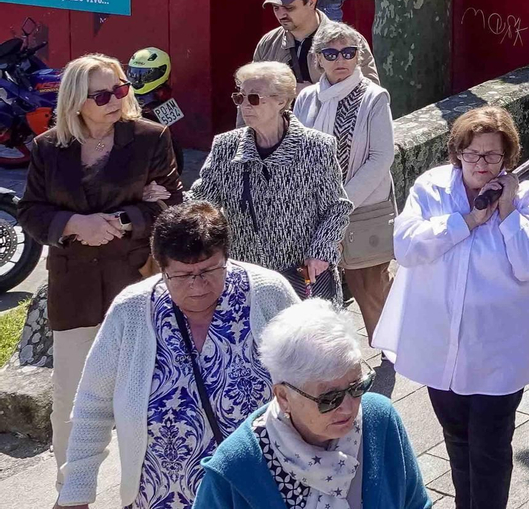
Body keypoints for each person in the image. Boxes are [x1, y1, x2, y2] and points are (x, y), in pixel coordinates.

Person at [57, 203, 295, 509]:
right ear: (161, 267)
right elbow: (93, 404)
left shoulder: (267, 293)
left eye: (209, 270)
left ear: (226, 257)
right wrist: (76, 490)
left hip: (257, 493)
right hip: (160, 498)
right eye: (181, 275)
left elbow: (314, 378)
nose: (197, 286)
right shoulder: (131, 310)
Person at [375, 106, 529, 509]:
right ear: (457, 153)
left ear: (508, 159)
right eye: (472, 154)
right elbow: (407, 247)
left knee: (489, 451)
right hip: (443, 350)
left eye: (492, 156)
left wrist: (507, 211)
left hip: (497, 354)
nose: (482, 164)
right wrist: (467, 221)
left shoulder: (525, 198)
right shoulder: (431, 188)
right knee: (456, 442)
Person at [20, 53, 182, 486]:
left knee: (140, 396)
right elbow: (31, 210)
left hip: (135, 283)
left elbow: (170, 202)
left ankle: (142, 487)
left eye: (121, 89)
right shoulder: (48, 147)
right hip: (73, 289)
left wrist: (120, 222)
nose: (116, 100)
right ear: (75, 101)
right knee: (69, 400)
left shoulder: (150, 137)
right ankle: (71, 489)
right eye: (102, 94)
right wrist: (74, 224)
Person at [193, 300, 429, 509]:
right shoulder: (234, 469)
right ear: (283, 397)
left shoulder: (380, 419)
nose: (348, 407)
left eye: (357, 386)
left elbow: (417, 503)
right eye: (329, 398)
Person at [192, 62, 352, 300]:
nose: (245, 105)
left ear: (280, 101)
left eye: (254, 98)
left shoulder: (316, 146)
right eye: (240, 97)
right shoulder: (226, 146)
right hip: (247, 277)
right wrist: (164, 196)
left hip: (303, 274)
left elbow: (337, 208)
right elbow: (201, 203)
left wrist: (320, 252)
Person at [292, 22, 396, 342]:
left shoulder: (374, 98)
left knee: (371, 290)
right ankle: (334, 364)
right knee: (320, 293)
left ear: (358, 57)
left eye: (348, 53)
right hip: (314, 212)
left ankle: (394, 352)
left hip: (362, 211)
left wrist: (338, 204)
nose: (341, 60)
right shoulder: (307, 98)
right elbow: (296, 150)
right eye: (331, 53)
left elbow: (381, 157)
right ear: (318, 59)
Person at [253, 0, 378, 91]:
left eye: (289, 8)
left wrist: (311, 93)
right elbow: (251, 93)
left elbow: (370, 93)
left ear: (311, 2)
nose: (281, 14)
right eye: (276, 8)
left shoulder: (349, 40)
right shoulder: (268, 43)